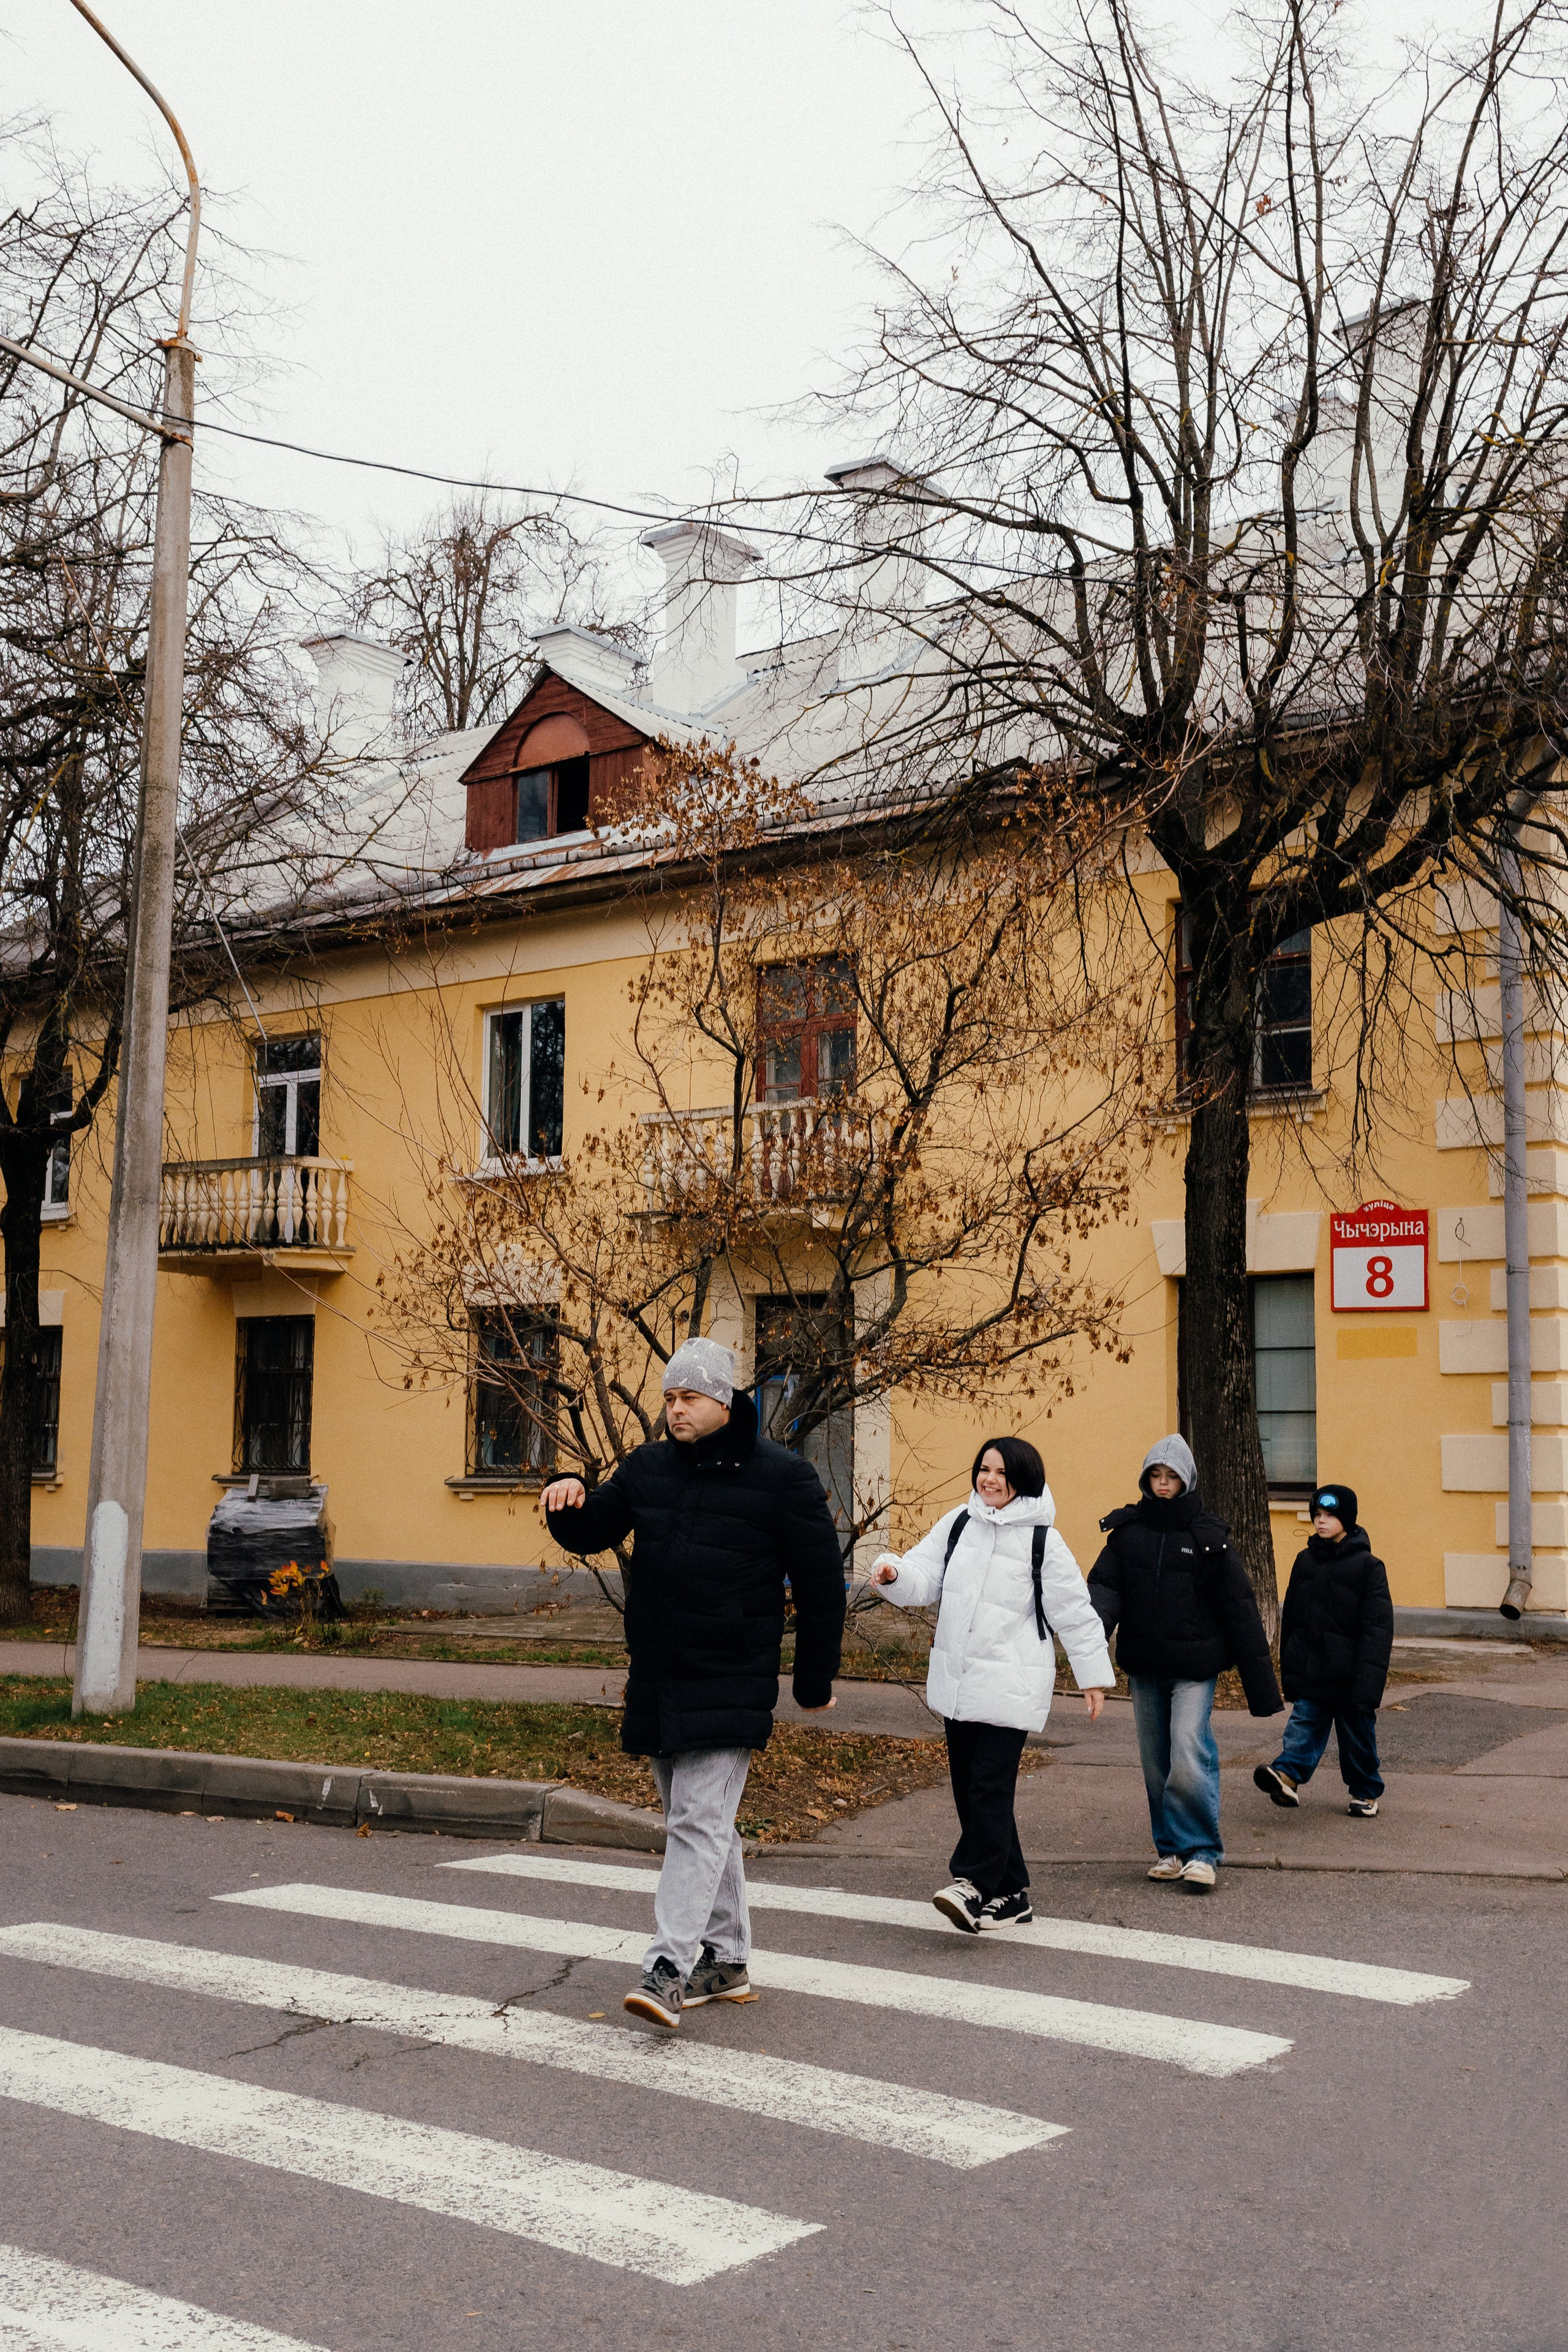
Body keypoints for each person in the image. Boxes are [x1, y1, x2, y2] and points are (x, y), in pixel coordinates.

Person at [541, 1335, 844, 2032]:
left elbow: (823, 1584)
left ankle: (668, 1967)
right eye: (669, 1398)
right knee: (706, 1827)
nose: (674, 1409)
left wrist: (813, 1676)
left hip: (731, 1672)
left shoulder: (781, 1478)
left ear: (723, 1399)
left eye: (688, 1398)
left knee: (698, 1824)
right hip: (660, 1671)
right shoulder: (648, 1467)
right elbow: (595, 1528)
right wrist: (565, 1502)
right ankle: (728, 1961)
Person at [867, 1435, 1115, 1933]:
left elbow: (1076, 1613)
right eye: (984, 1469)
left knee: (988, 1786)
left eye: (1000, 1472)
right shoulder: (961, 1523)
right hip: (961, 1682)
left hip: (1012, 1682)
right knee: (972, 1789)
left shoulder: (1044, 1540)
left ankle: (974, 1883)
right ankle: (1012, 1891)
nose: (989, 1480)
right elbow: (923, 1574)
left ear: (1021, 1478)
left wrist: (1093, 1676)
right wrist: (894, 1574)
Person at [1088, 1434, 1281, 1891]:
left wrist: (1262, 1685)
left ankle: (1201, 1852)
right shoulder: (1127, 1534)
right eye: (1155, 1475)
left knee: (1188, 1748)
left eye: (1171, 1477)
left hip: (1195, 1667)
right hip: (1145, 1665)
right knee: (1156, 1762)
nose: (1162, 1484)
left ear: (1187, 1481)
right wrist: (1090, 1644)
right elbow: (1103, 1592)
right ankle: (1171, 1850)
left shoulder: (1208, 1537)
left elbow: (1238, 1606)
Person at [1254, 1482, 1393, 1819]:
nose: (1321, 1521)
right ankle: (1287, 1776)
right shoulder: (1305, 1561)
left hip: (1351, 1677)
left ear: (1347, 1520)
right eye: (1317, 1514)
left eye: (1330, 1515)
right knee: (1302, 1726)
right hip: (1313, 1669)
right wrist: (1290, 1666)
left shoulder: (1368, 1567)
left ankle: (1365, 1791)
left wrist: (1369, 1682)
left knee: (1357, 1737)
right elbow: (1293, 1621)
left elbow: (1378, 1630)